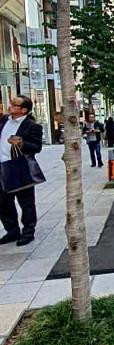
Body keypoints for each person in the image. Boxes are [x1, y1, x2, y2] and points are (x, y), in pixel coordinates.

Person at [0, 95, 43, 246]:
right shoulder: (4, 120)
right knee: (3, 202)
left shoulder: (32, 126)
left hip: (19, 167)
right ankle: (12, 231)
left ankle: (28, 231)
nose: (10, 105)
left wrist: (22, 143)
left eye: (14, 104)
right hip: (1, 166)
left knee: (26, 202)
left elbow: (37, 147)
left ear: (23, 110)